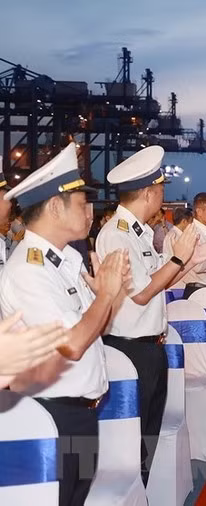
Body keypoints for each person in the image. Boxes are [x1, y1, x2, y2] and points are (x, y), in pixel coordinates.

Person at [0, 142, 131, 506]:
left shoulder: (65, 262)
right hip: (51, 416)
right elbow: (72, 346)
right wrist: (105, 295)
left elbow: (94, 332)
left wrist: (112, 292)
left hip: (79, 413)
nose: (90, 212)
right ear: (56, 207)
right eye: (82, 204)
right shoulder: (29, 270)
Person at [96, 145, 206, 485]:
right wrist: (179, 260)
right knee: (135, 439)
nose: (163, 194)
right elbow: (142, 293)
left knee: (148, 432)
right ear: (149, 192)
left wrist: (190, 262)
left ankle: (143, 491)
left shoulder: (138, 230)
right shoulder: (118, 234)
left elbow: (158, 280)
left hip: (150, 345)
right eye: (161, 188)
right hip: (131, 347)